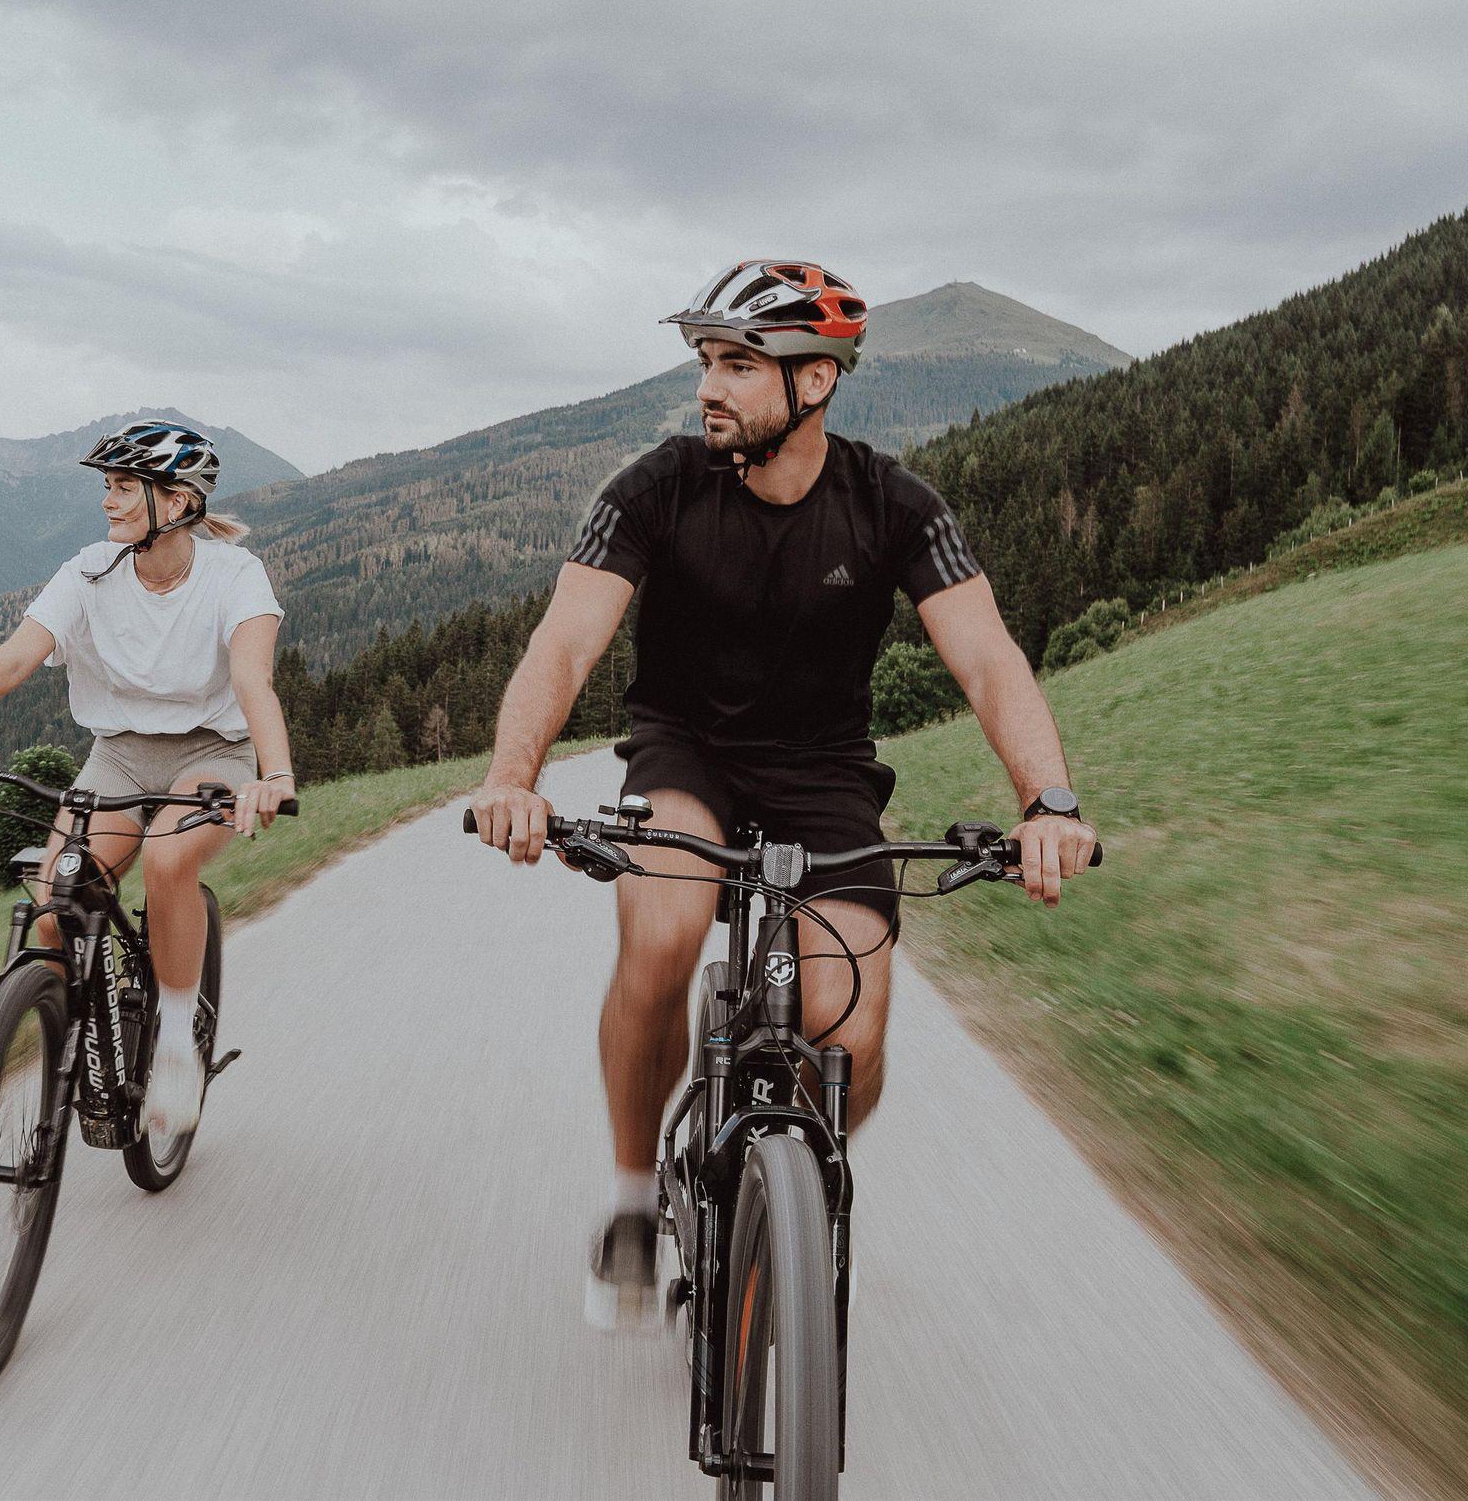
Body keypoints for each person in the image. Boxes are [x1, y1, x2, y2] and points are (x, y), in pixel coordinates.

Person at [467, 259, 1099, 1329]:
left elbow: (988, 661)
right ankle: (633, 1198)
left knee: (846, 1030)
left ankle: (785, 1203)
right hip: (684, 753)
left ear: (814, 382)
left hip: (824, 772)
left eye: (737, 365)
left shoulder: (895, 505)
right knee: (663, 934)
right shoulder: (656, 486)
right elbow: (566, 640)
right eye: (706, 361)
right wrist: (510, 778)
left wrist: (1049, 802)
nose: (707, 387)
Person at [0, 419, 297, 1141]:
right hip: (119, 755)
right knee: (54, 907)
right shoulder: (88, 572)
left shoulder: (236, 576)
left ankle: (177, 1040)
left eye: (123, 487)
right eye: (107, 487)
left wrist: (276, 774)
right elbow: (15, 658)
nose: (107, 502)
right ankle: (84, 1037)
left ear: (175, 501)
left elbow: (251, 680)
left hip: (214, 754)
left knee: (168, 861)